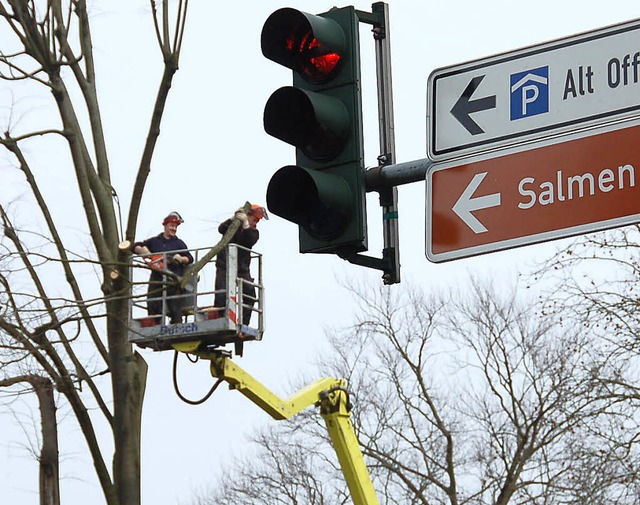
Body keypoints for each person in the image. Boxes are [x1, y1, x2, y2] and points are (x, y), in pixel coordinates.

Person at [134, 211, 194, 324]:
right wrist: (141, 250)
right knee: (152, 302)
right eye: (172, 225)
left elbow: (190, 258)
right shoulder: (155, 242)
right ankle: (155, 326)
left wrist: (181, 258)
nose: (174, 228)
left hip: (173, 279)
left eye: (176, 226)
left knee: (174, 306)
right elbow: (135, 246)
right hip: (157, 278)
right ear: (165, 225)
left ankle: (176, 326)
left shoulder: (179, 243)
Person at [214, 204, 267, 327]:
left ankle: (244, 324)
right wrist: (234, 218)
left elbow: (249, 240)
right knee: (221, 296)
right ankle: (221, 322)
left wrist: (246, 225)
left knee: (250, 295)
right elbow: (221, 229)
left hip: (242, 269)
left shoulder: (253, 232)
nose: (256, 223)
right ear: (248, 215)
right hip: (224, 266)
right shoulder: (232, 227)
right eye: (255, 220)